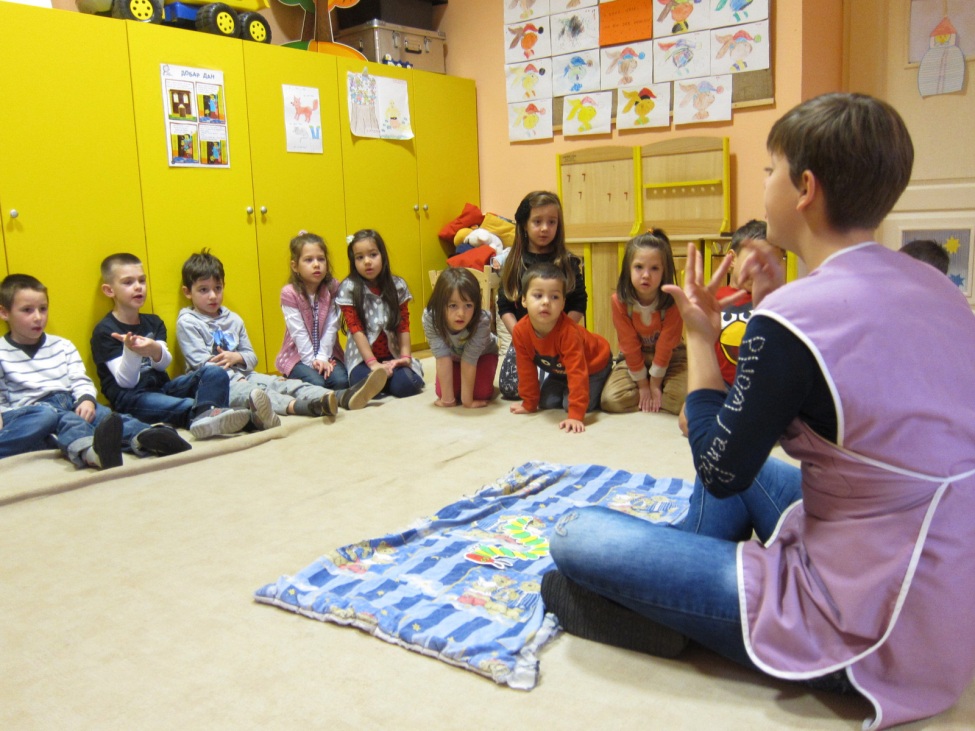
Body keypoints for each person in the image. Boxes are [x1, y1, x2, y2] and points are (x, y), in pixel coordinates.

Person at [541, 93, 975, 729]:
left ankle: (655, 608)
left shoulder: (790, 320)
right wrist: (775, 308)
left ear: (804, 188)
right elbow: (836, 392)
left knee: (573, 533)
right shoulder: (935, 285)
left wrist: (699, 333)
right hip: (945, 586)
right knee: (754, 483)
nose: (764, 181)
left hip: (863, 620)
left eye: (769, 169)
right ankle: (666, 594)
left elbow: (721, 466)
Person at [1, 274, 191, 469]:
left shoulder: (62, 345)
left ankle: (146, 436)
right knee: (60, 419)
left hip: (70, 400)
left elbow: (79, 379)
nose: (38, 317)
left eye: (43, 309)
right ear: (4, 313)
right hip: (33, 410)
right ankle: (91, 453)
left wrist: (86, 399)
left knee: (105, 416)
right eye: (27, 310)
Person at [176, 250, 387, 423]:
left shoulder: (234, 320)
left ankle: (342, 397)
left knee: (282, 383)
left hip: (248, 374)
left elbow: (251, 358)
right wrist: (235, 363)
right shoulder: (188, 322)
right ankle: (307, 407)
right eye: (203, 290)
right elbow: (201, 365)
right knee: (258, 395)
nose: (213, 296)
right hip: (220, 386)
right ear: (188, 292)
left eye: (217, 288)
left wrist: (237, 358)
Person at [91, 253, 252, 440]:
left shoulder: (153, 322)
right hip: (132, 397)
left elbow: (162, 365)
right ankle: (236, 417)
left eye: (142, 281)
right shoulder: (105, 330)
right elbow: (127, 382)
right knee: (187, 405)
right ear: (109, 290)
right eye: (128, 282)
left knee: (215, 372)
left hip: (163, 387)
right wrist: (132, 352)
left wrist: (154, 350)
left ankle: (211, 414)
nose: (138, 287)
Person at [676, 219, 773, 435]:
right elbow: (699, 351)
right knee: (687, 423)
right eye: (752, 261)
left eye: (767, 263)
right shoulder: (714, 298)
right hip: (719, 385)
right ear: (732, 259)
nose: (758, 270)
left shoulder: (773, 300)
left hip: (756, 389)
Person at [497, 191, 587, 400]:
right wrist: (522, 335)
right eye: (537, 221)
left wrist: (558, 334)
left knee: (556, 389)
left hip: (562, 339)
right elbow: (504, 305)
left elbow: (579, 302)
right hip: (526, 338)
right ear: (525, 225)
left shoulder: (568, 262)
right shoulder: (514, 261)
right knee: (511, 389)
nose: (545, 228)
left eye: (551, 222)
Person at [509, 262, 611, 433]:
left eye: (554, 297)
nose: (546, 302)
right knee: (546, 402)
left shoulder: (568, 333)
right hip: (560, 370)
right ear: (524, 300)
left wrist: (576, 415)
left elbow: (578, 372)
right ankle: (567, 388)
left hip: (595, 363)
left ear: (563, 303)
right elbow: (526, 369)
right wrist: (529, 403)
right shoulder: (520, 330)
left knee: (567, 405)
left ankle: (607, 379)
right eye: (538, 295)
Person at [599, 229, 687, 415]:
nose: (646, 275)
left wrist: (654, 383)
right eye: (639, 267)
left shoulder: (673, 299)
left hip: (671, 356)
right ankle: (651, 393)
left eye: (654, 268)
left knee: (681, 402)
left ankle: (661, 389)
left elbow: (666, 345)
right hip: (635, 358)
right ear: (628, 270)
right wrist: (642, 385)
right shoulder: (619, 301)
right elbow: (629, 345)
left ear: (664, 272)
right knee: (610, 401)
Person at [336, 229, 424, 399]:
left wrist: (405, 357)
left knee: (407, 386)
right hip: (363, 360)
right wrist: (373, 363)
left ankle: (388, 382)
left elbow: (403, 324)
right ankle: (382, 383)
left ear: (383, 255)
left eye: (373, 255)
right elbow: (356, 330)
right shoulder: (349, 288)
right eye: (359, 257)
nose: (367, 262)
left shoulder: (397, 285)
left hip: (393, 355)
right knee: (364, 384)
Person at [276, 232, 350, 390]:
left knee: (341, 382)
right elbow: (298, 333)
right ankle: (288, 383)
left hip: (328, 353)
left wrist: (323, 358)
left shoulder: (332, 287)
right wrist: (313, 362)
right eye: (309, 260)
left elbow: (332, 325)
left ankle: (343, 397)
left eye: (321, 259)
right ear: (295, 266)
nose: (316, 264)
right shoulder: (290, 293)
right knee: (317, 383)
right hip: (298, 356)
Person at [422, 268, 499, 408]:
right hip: (453, 358)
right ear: (440, 303)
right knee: (443, 392)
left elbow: (470, 359)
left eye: (468, 305)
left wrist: (467, 401)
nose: (461, 314)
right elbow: (442, 356)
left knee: (481, 392)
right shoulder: (431, 318)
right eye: (453, 306)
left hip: (483, 355)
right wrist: (447, 400)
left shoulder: (482, 321)